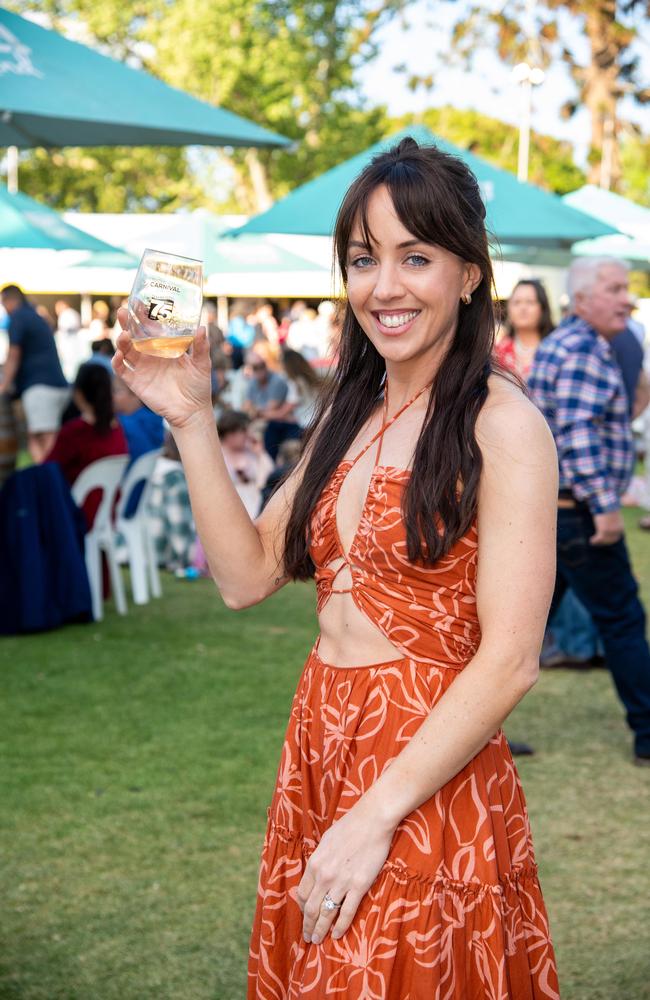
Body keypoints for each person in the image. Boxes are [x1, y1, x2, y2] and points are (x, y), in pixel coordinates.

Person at [113, 137, 559, 997]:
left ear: (470, 274)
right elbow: (245, 579)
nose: (383, 287)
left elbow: (509, 659)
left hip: (426, 770)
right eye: (363, 260)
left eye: (415, 258)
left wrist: (375, 815)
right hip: (322, 742)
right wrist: (191, 417)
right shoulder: (347, 414)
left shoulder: (502, 426)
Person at [528, 256, 650, 767]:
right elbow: (576, 436)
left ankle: (467, 731)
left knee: (523, 629)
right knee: (622, 618)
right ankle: (648, 732)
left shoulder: (577, 344)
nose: (628, 298)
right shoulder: (580, 347)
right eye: (615, 288)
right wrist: (605, 508)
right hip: (577, 514)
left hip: (557, 513)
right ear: (581, 300)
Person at [44, 363, 127, 529]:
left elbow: (46, 471)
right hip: (110, 512)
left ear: (79, 394)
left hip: (78, 516)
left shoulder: (75, 432)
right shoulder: (117, 429)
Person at [0, 285, 70, 463]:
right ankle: (47, 483)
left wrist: (3, 387)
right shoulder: (34, 315)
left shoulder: (18, 317)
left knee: (45, 440)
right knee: (37, 438)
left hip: (40, 389)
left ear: (9, 299)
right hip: (57, 386)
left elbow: (13, 356)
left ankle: (50, 486)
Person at [147, 432, 195, 572]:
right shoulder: (174, 479)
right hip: (159, 554)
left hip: (134, 549)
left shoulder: (153, 465)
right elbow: (178, 526)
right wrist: (186, 560)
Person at [495, 278, 554, 380]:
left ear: (543, 308)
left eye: (530, 302)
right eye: (517, 302)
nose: (523, 308)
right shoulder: (499, 352)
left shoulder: (555, 349)